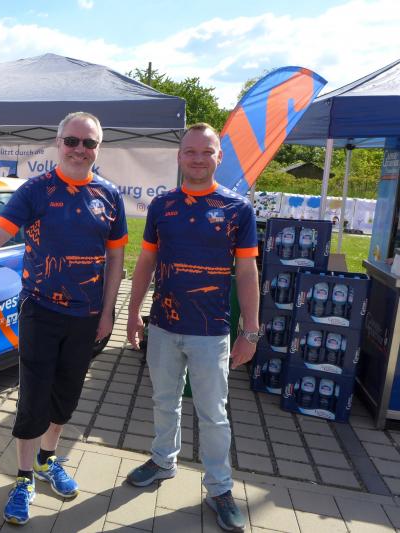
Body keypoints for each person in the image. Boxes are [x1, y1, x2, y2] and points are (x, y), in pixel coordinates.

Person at [0, 112, 127, 525]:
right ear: (58, 142)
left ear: (98, 149)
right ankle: (23, 478)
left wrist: (108, 311)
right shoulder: (36, 190)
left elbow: (116, 258)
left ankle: (47, 459)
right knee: (34, 397)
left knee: (66, 395)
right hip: (40, 309)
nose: (79, 149)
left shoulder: (109, 195)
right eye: (72, 141)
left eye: (89, 143)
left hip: (86, 314)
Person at [125, 123, 259, 533]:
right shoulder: (162, 206)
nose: (198, 159)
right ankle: (163, 461)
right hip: (163, 326)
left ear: (219, 156)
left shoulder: (237, 209)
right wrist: (132, 312)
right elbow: (146, 262)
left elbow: (247, 271)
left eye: (207, 151)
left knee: (213, 415)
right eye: (190, 151)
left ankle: (219, 488)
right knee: (163, 401)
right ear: (179, 156)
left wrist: (250, 330)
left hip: (211, 331)